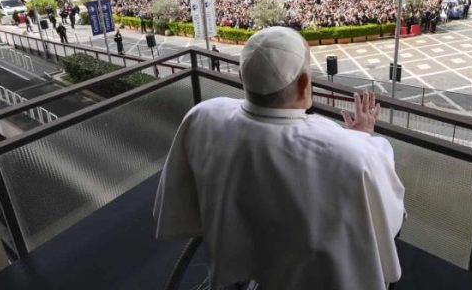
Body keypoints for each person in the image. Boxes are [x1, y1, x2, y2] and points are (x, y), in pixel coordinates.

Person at [154, 27, 405, 290]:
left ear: (242, 75)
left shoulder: (204, 115)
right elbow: (388, 216)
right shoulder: (350, 152)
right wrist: (362, 136)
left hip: (238, 260)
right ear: (304, 84)